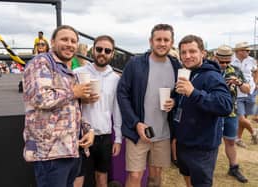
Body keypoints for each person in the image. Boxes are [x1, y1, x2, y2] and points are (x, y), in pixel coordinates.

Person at [23, 25, 95, 187]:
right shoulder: (41, 62)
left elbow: (71, 109)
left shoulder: (67, 70)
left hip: (70, 150)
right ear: (53, 42)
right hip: (50, 154)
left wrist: (88, 130)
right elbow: (41, 98)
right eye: (64, 39)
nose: (69, 44)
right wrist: (74, 92)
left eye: (73, 41)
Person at [117, 23, 182, 187]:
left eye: (166, 40)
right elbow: (122, 93)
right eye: (158, 39)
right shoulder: (136, 63)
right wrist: (135, 123)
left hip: (163, 133)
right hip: (138, 131)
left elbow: (180, 94)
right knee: (135, 176)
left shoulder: (176, 66)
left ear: (171, 42)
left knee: (155, 176)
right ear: (150, 41)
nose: (162, 43)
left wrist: (174, 101)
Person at [174, 35, 232, 187]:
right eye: (183, 52)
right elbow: (187, 102)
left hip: (202, 147)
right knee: (187, 178)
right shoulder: (187, 73)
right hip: (184, 142)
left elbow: (225, 105)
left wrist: (193, 92)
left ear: (203, 53)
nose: (187, 56)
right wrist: (174, 102)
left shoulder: (212, 76)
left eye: (192, 51)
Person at [73, 35, 122, 187]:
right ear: (92, 50)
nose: (103, 53)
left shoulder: (115, 78)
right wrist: (81, 99)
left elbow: (117, 109)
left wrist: (118, 138)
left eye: (107, 50)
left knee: (102, 176)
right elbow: (67, 102)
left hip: (104, 136)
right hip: (81, 134)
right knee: (78, 177)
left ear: (112, 54)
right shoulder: (77, 73)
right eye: (99, 49)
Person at [214, 45, 249, 183]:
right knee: (212, 143)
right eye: (222, 62)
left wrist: (239, 82)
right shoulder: (209, 70)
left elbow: (247, 90)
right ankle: (207, 169)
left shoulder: (235, 70)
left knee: (230, 141)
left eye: (227, 62)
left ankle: (234, 168)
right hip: (213, 113)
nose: (224, 65)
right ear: (216, 58)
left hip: (231, 113)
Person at [231, 42, 258, 147]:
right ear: (239, 51)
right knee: (240, 117)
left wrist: (255, 83)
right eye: (245, 50)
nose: (248, 51)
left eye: (248, 50)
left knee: (244, 117)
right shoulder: (231, 60)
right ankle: (254, 131)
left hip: (249, 92)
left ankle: (238, 139)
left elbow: (256, 71)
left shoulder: (251, 60)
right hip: (236, 93)